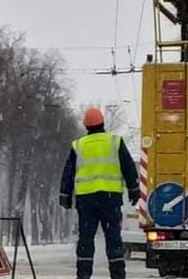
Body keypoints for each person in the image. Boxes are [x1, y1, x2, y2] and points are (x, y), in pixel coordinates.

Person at [60, 107, 140, 279]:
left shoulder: (78, 146)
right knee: (113, 238)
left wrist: (65, 196)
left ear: (86, 126)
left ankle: (83, 275)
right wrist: (134, 190)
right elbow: (128, 167)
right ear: (102, 123)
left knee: (86, 240)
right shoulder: (115, 142)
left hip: (86, 201)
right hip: (110, 200)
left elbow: (68, 172)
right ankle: (118, 275)